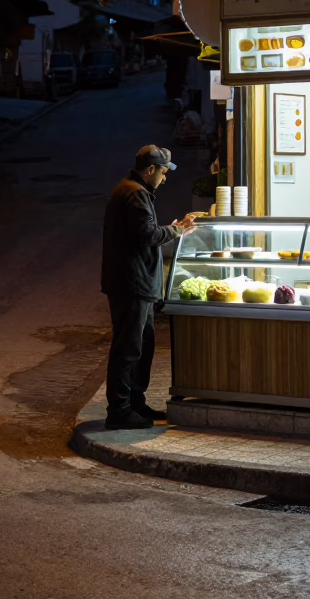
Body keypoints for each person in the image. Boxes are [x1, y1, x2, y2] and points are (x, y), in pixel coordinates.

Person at [101, 145, 196, 430]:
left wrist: (169, 228)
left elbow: (143, 232)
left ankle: (134, 403)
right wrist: (179, 229)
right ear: (151, 169)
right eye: (164, 172)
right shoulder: (135, 193)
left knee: (141, 345)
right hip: (132, 283)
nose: (165, 178)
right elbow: (147, 234)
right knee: (128, 348)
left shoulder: (129, 190)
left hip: (134, 282)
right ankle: (119, 411)